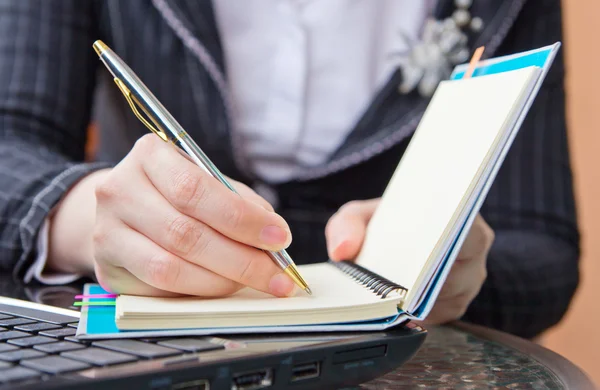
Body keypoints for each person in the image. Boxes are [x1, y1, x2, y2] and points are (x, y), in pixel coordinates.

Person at [0, 0, 579, 339]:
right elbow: (9, 140)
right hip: (146, 340)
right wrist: (91, 214)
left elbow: (543, 244)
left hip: (382, 359)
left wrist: (453, 264)